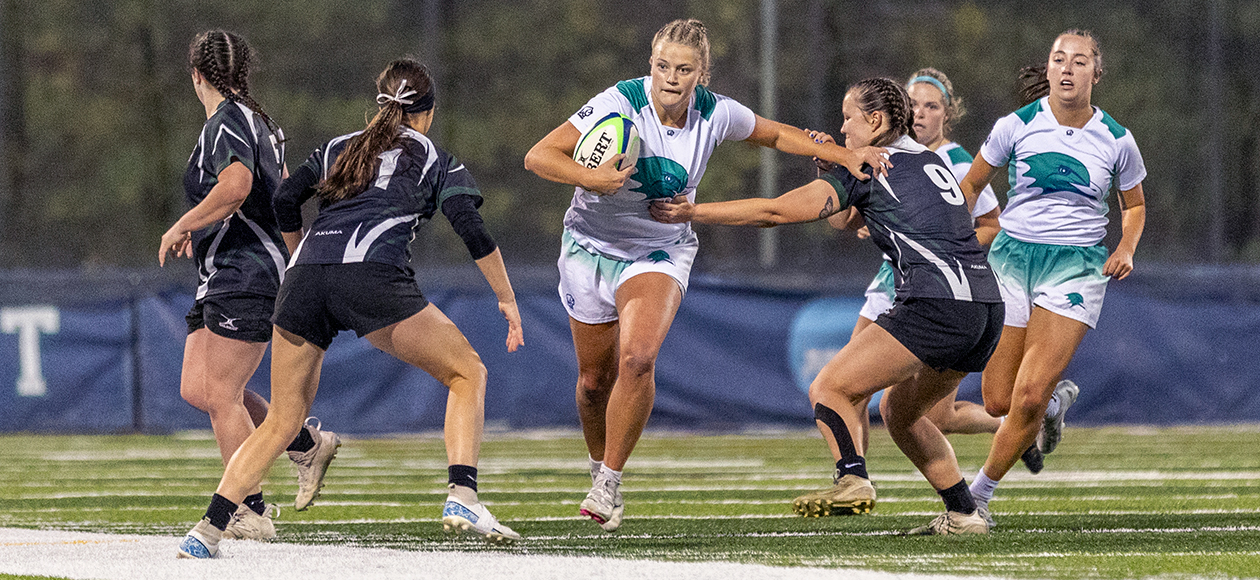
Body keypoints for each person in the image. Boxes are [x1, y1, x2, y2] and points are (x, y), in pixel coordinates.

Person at [523, 18, 889, 532]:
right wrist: (590, 177)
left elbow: (777, 134)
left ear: (702, 75)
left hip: (659, 250)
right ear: (650, 65)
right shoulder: (619, 102)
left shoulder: (715, 113)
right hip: (589, 247)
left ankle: (608, 481)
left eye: (684, 69)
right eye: (662, 66)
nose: (671, 77)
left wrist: (843, 155)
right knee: (591, 384)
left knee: (639, 356)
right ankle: (597, 463)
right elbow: (538, 156)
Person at [177, 58, 525, 559]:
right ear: (425, 114)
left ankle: (206, 531)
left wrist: (300, 253)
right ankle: (462, 495)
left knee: (282, 422)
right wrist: (507, 299)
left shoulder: (338, 147)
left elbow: (284, 201)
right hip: (370, 276)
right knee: (467, 372)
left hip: (302, 280)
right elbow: (471, 228)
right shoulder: (434, 156)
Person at [653, 77, 1003, 535]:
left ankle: (852, 479)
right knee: (900, 412)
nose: (842, 128)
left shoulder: (870, 167)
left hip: (935, 303)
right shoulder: (930, 158)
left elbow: (775, 212)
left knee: (830, 388)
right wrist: (830, 167)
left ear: (875, 121)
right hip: (985, 307)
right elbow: (845, 219)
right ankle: (964, 512)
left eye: (848, 117)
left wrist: (693, 211)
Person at [958, 30, 1146, 529]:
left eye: (1078, 61)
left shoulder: (1117, 138)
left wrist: (1125, 246)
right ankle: (1052, 405)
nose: (1066, 68)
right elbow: (972, 183)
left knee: (1026, 395)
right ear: (1048, 69)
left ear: (1095, 73)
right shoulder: (1015, 125)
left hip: (1077, 265)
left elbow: (1135, 204)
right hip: (1012, 259)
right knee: (999, 400)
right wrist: (948, 230)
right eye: (1058, 59)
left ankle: (978, 497)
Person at [158, 29, 339, 543]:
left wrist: (186, 224)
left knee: (222, 393)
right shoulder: (259, 121)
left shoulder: (226, 123)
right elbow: (278, 193)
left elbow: (236, 188)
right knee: (198, 388)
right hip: (226, 269)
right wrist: (210, 227)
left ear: (197, 75)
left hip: (247, 271)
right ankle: (304, 441)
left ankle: (248, 508)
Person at [823, 68, 1043, 485]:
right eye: (914, 103)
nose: (920, 113)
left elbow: (991, 224)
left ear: (948, 114)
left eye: (932, 106)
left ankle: (1016, 425)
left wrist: (935, 239)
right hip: (895, 276)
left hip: (941, 282)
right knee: (854, 385)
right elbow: (845, 219)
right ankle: (851, 478)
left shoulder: (956, 160)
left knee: (924, 410)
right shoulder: (879, 154)